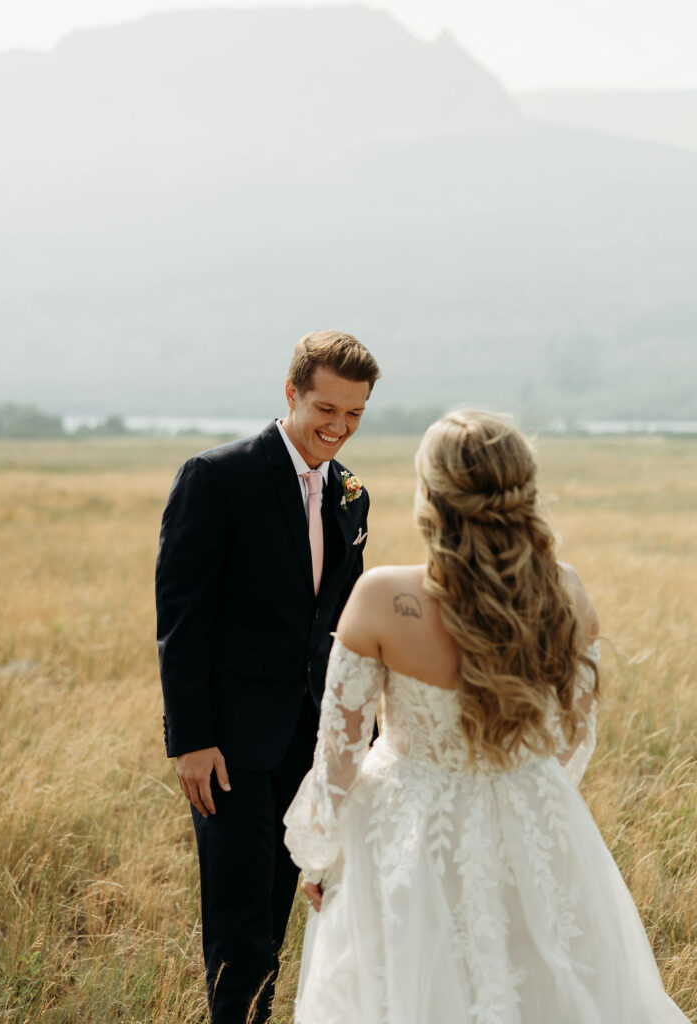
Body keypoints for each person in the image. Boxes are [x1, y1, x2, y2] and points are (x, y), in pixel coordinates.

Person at [284, 409, 689, 1023]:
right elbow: (574, 739)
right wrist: (526, 809)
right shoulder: (567, 593)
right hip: (532, 828)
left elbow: (337, 756)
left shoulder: (382, 600)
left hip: (405, 837)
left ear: (432, 496)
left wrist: (319, 855)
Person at [155, 330, 380, 1024]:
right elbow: (182, 616)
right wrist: (191, 740)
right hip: (231, 752)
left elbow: (345, 626)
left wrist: (361, 747)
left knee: (304, 920)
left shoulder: (351, 494)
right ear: (291, 393)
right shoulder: (217, 476)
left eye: (354, 415)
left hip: (317, 750)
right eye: (325, 409)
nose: (338, 428)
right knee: (242, 934)